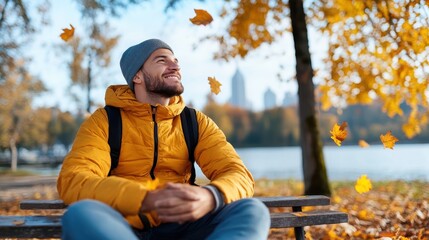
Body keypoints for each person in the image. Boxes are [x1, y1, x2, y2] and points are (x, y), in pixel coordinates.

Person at [57, 38, 270, 240]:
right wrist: (145, 199)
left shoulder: (195, 121)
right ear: (137, 76)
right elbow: (74, 179)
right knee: (80, 213)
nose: (175, 66)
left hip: (186, 224)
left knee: (252, 210)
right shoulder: (105, 121)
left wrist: (210, 196)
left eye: (176, 61)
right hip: (123, 225)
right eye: (162, 60)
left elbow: (238, 174)